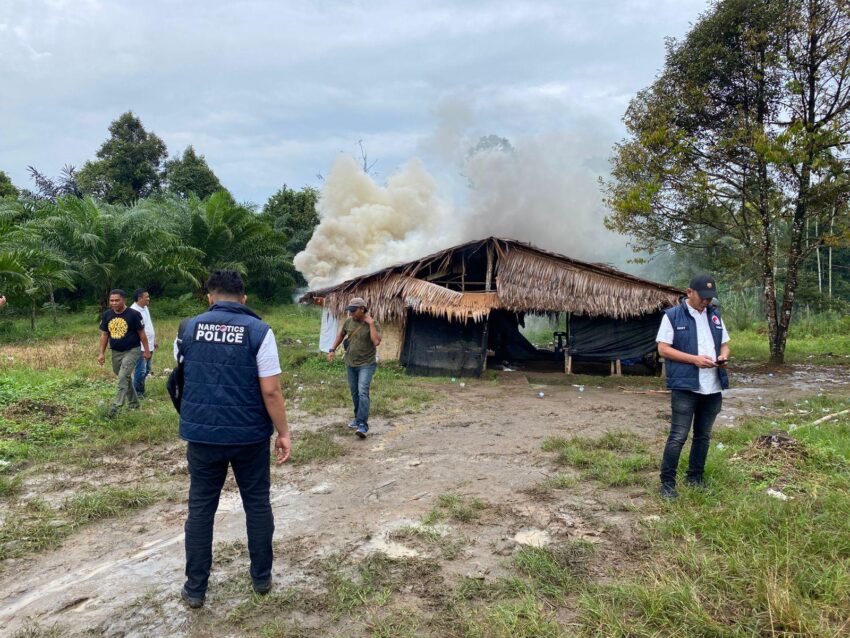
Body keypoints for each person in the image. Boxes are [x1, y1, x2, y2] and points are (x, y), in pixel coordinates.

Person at [174, 269, 291, 609]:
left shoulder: (187, 329)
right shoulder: (259, 331)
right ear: (244, 298)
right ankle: (261, 578)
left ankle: (195, 589)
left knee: (200, 509)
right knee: (256, 504)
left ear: (209, 297)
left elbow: (186, 375)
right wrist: (283, 432)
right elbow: (270, 390)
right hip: (250, 437)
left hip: (202, 437)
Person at [656, 274, 730, 499]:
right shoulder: (672, 316)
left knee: (703, 436)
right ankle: (667, 484)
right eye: (703, 297)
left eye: (710, 298)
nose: (706, 302)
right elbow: (663, 349)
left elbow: (725, 344)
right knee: (678, 435)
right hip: (686, 386)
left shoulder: (715, 316)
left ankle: (695, 477)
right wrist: (694, 359)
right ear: (689, 293)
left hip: (713, 386)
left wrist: (723, 356)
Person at [327, 297, 381, 439]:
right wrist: (332, 349)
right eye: (349, 310)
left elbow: (376, 342)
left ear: (362, 309)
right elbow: (341, 335)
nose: (350, 313)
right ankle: (357, 419)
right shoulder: (348, 322)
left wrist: (371, 325)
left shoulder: (373, 323)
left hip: (366, 364)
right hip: (350, 363)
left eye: (353, 310)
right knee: (355, 393)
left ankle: (363, 424)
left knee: (363, 392)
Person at [98, 289, 151, 418]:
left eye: (117, 300)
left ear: (123, 300)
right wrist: (101, 353)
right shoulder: (107, 315)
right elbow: (104, 335)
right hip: (116, 352)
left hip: (132, 350)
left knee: (122, 376)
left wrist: (147, 350)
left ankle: (116, 406)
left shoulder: (134, 314)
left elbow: (142, 334)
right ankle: (134, 404)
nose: (114, 303)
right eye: (112, 300)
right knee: (123, 377)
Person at [130, 288, 157, 398]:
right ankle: (138, 393)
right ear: (140, 298)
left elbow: (148, 326)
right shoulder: (133, 312)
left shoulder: (145, 308)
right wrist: (145, 348)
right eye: (146, 297)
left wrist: (153, 341)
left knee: (147, 369)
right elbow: (136, 332)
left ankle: (136, 387)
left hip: (149, 344)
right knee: (140, 370)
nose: (148, 299)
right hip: (140, 347)